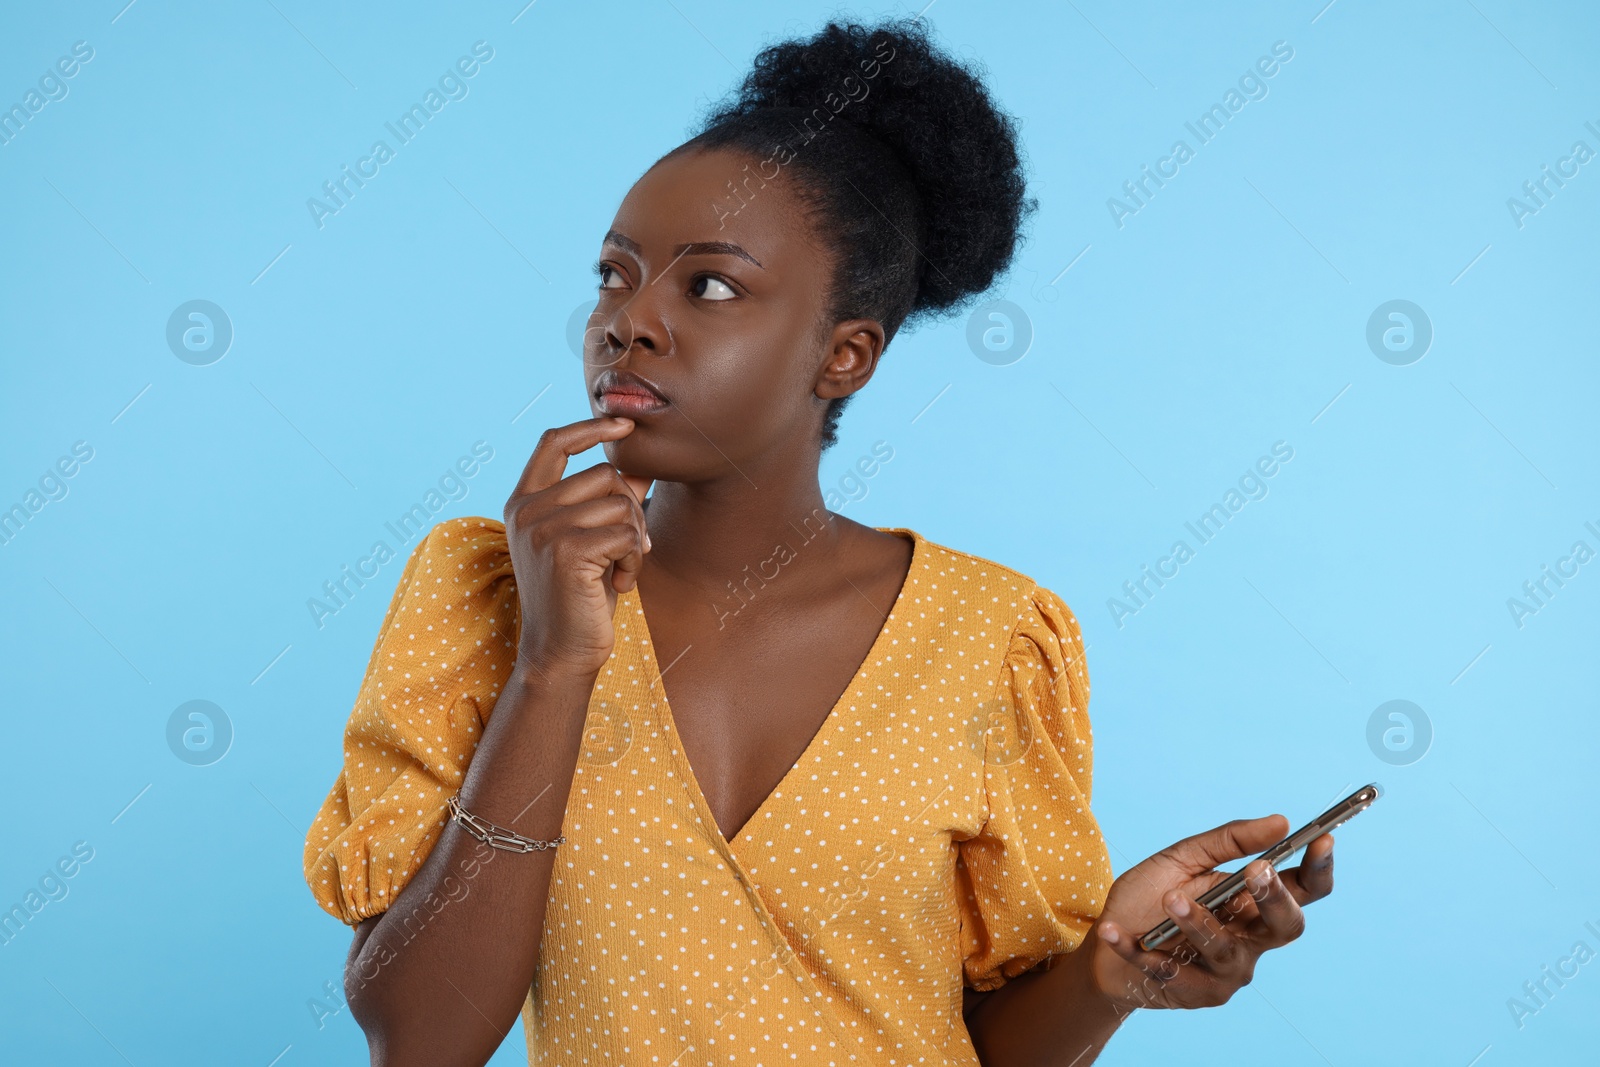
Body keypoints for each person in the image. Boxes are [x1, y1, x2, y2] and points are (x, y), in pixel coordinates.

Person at [301, 16, 1336, 1066]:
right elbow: (421, 1040)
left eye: (707, 285)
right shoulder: (485, 593)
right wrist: (554, 665)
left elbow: (995, 1046)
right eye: (616, 274)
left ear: (844, 354)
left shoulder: (991, 637)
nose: (629, 320)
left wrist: (1108, 974)